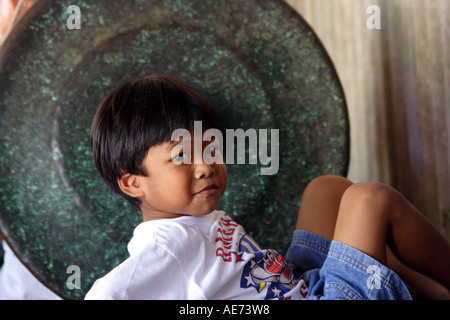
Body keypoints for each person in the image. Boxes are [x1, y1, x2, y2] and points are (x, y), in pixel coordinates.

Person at [85, 75, 450, 300]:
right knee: (368, 200)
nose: (205, 166)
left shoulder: (191, 218)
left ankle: (431, 289)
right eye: (182, 156)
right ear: (133, 182)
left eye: (210, 147)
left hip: (303, 285)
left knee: (326, 190)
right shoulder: (167, 247)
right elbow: (108, 293)